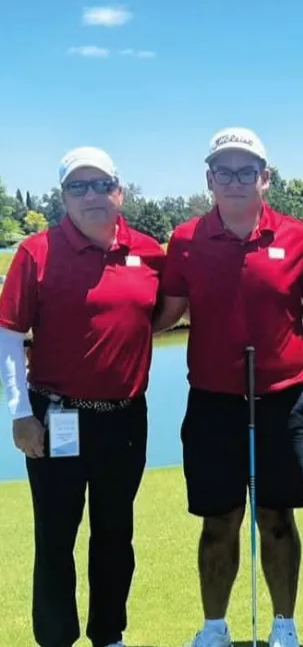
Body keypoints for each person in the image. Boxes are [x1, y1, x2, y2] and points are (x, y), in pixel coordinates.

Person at [153, 127, 303, 647]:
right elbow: (164, 315)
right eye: (224, 171)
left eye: (246, 171)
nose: (235, 181)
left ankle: (284, 625)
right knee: (218, 521)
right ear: (209, 179)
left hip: (281, 399)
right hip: (212, 402)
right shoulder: (185, 241)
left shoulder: (296, 236)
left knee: (277, 517)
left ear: (265, 178)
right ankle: (214, 628)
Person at [0, 147, 165, 647]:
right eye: (78, 186)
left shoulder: (148, 251)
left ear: (119, 190)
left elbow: (156, 316)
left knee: (115, 534)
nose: (91, 194)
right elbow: (8, 334)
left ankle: (108, 635)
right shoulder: (38, 251)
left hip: (124, 419)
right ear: (63, 196)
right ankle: (56, 639)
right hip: (56, 417)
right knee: (56, 537)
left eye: (101, 184)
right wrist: (20, 413)